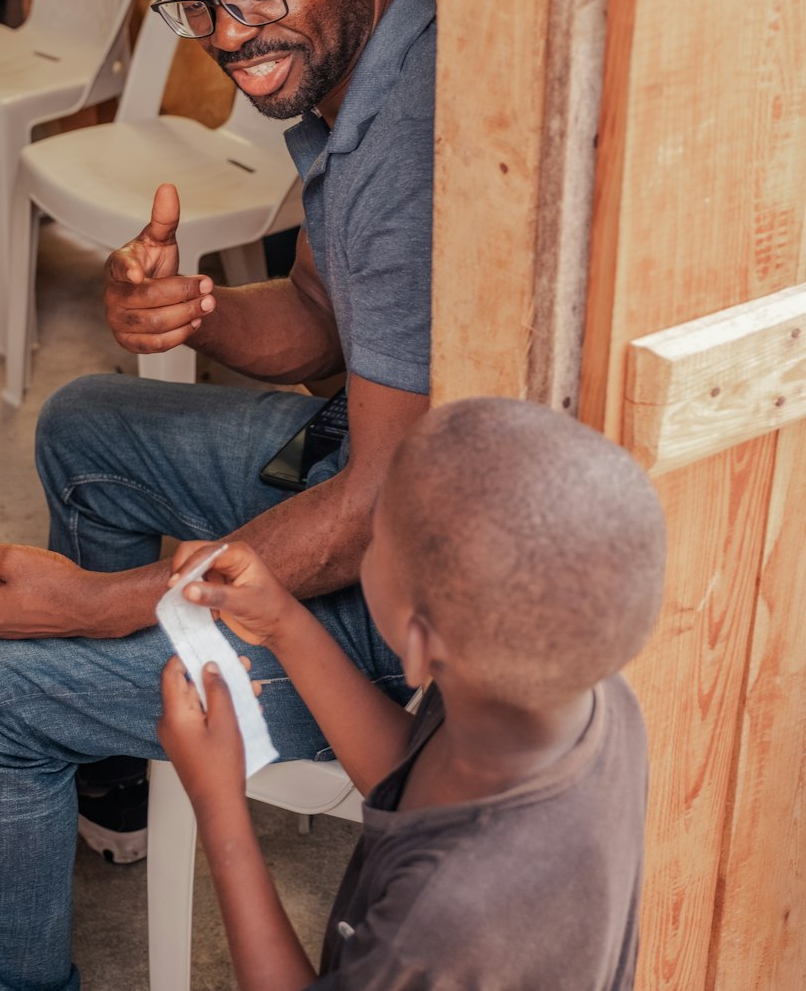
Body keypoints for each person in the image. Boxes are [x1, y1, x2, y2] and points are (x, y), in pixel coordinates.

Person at [0, 0, 436, 991]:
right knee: (88, 424)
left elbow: (377, 506)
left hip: (407, 601)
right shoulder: (358, 69)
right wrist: (194, 307)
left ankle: (63, 718)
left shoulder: (416, 146)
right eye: (195, 4)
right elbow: (315, 322)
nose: (232, 35)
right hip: (371, 452)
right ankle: (117, 787)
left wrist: (96, 606)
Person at [159, 397, 667, 991]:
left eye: (375, 542)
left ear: (421, 648)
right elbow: (410, 779)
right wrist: (282, 623)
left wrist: (218, 801)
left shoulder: (444, 918)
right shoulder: (567, 691)